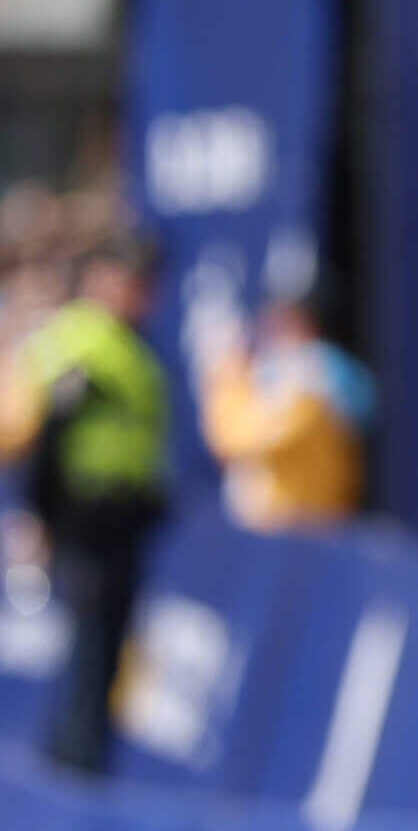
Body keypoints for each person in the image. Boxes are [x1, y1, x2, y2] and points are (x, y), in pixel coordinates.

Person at [0, 233, 169, 774]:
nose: (139, 293)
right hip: (85, 520)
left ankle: (84, 765)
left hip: (125, 521)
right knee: (89, 649)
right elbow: (45, 431)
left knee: (108, 654)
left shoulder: (129, 344)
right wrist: (38, 515)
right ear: (101, 280)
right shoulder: (79, 340)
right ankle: (75, 773)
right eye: (129, 280)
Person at [197, 275, 375, 530]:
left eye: (281, 317)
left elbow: (238, 440)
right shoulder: (274, 370)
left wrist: (225, 378)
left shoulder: (314, 372)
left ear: (304, 320)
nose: (269, 325)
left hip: (305, 526)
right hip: (278, 524)